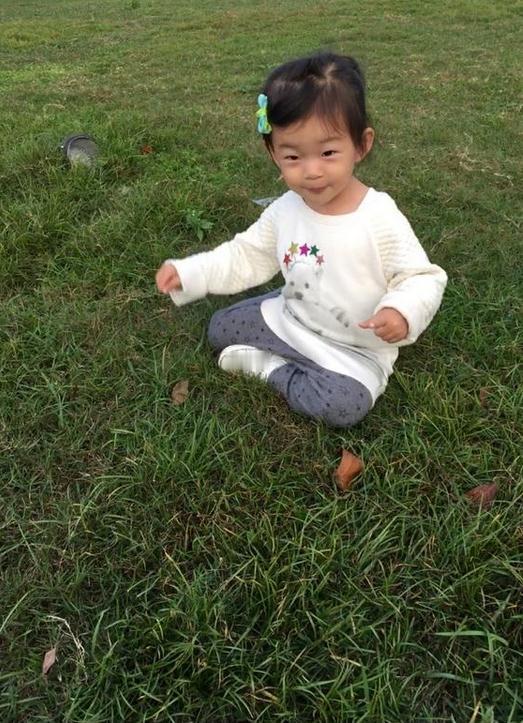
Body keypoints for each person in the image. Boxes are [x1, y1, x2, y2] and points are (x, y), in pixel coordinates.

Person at [155, 51, 447, 428]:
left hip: (354, 350)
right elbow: (246, 255)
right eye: (293, 157)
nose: (312, 171)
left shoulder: (377, 217)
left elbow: (422, 277)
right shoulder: (285, 210)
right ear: (273, 153)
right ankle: (279, 330)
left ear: (361, 144)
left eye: (328, 153)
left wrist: (401, 311)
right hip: (292, 318)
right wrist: (191, 273)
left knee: (342, 407)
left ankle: (269, 368)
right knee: (218, 329)